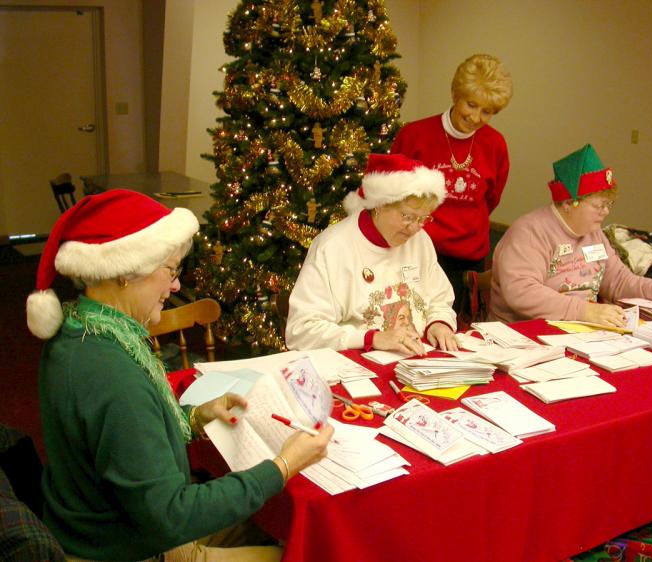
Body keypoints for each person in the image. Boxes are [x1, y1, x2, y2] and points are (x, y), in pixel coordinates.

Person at [26, 190, 333, 561]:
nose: (175, 286)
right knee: (311, 550)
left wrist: (194, 417)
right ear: (125, 272)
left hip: (103, 525)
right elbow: (172, 516)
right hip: (126, 547)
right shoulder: (113, 375)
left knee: (277, 524)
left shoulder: (82, 330)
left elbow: (120, 444)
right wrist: (283, 467)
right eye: (171, 271)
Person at [488, 144, 652, 327]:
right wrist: (584, 311)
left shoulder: (594, 234)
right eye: (599, 205)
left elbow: (618, 281)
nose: (606, 212)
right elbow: (521, 292)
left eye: (608, 204)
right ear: (569, 203)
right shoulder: (530, 232)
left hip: (576, 331)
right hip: (525, 334)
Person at [285, 153, 459, 355]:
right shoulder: (333, 246)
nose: (414, 228)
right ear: (380, 204)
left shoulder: (420, 241)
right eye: (407, 216)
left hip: (418, 360)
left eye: (423, 219)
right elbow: (302, 329)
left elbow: (439, 298)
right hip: (357, 364)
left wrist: (438, 323)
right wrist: (371, 338)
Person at [391, 53, 513, 313]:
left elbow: (491, 198)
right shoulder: (415, 135)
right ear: (455, 95)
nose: (476, 117)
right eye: (471, 104)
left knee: (459, 335)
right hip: (419, 251)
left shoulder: (495, 145)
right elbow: (394, 193)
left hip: (469, 260)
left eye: (487, 111)